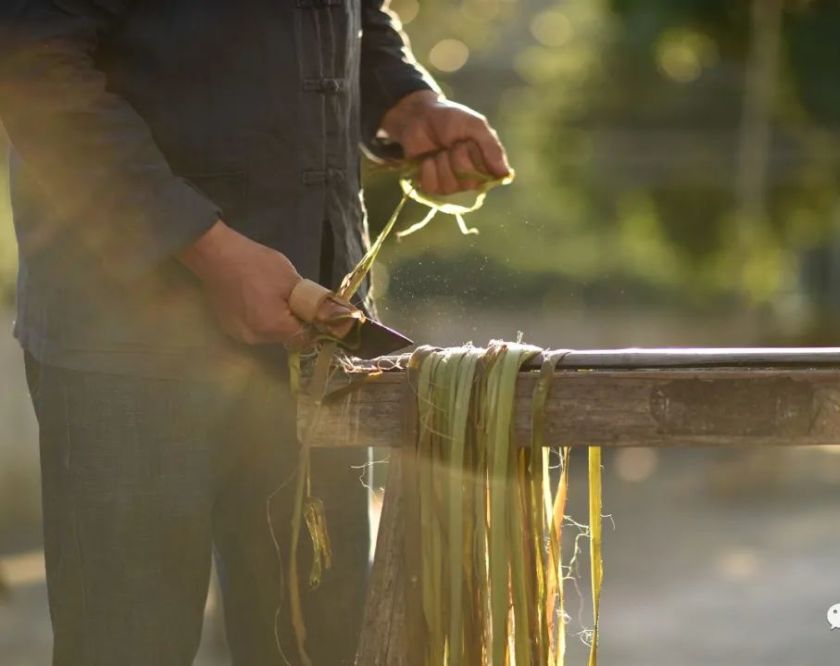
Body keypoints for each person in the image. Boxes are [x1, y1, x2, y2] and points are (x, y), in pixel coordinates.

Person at [0, 2, 510, 664]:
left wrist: (406, 101)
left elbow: (356, 12)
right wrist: (206, 249)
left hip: (310, 342)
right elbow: (31, 61)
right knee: (127, 645)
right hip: (125, 342)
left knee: (314, 644)